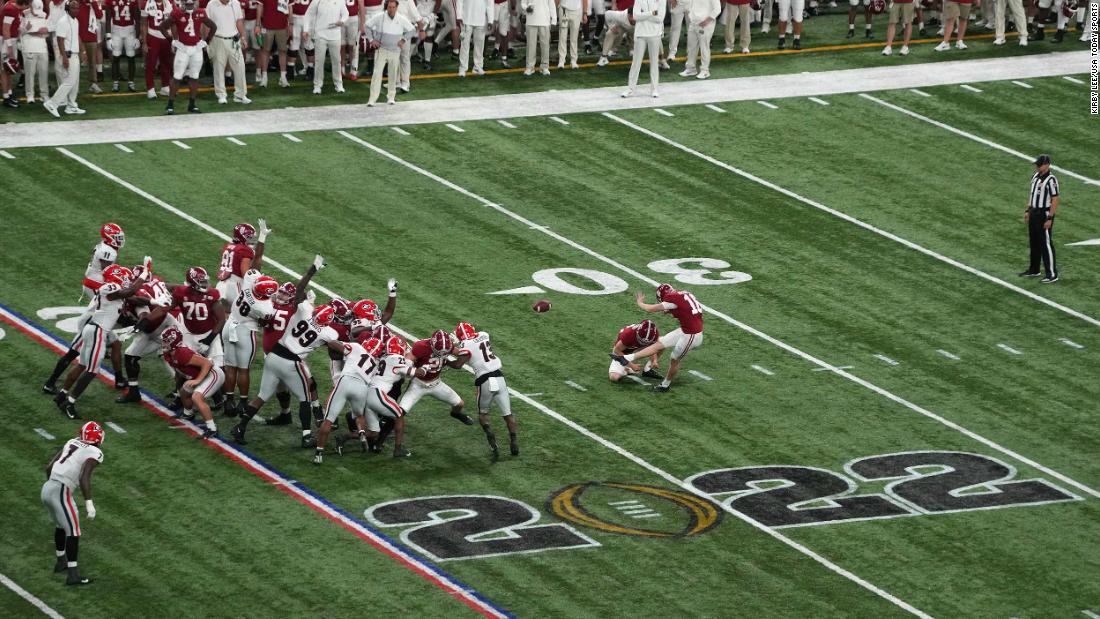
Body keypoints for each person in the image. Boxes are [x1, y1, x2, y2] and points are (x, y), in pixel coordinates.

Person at [54, 264, 149, 419]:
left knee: (82, 365)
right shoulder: (109, 287)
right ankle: (69, 403)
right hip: (97, 331)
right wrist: (144, 273)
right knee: (91, 371)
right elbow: (130, 291)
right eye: (124, 277)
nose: (127, 280)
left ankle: (62, 395)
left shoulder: (114, 290)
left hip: (94, 330)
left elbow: (134, 297)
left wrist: (155, 302)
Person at [41, 421, 104, 586]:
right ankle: (73, 575)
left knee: (61, 526)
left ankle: (61, 561)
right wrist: (89, 503)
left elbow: (49, 467)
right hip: (61, 491)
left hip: (47, 488)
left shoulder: (71, 441)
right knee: (74, 532)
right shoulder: (95, 451)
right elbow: (84, 477)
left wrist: (53, 486)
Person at [612, 283, 704, 392]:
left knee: (674, 360)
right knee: (660, 343)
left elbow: (651, 309)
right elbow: (685, 308)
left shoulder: (671, 299)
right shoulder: (683, 294)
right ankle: (628, 358)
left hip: (692, 335)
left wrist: (640, 303)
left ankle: (665, 385)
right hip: (686, 330)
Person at [453, 321, 518, 461]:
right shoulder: (484, 335)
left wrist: (446, 360)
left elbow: (458, 364)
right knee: (508, 414)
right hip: (499, 377)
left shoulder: (465, 345)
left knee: (483, 414)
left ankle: (492, 443)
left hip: (485, 380)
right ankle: (514, 441)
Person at [399, 329, 474, 424]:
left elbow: (461, 353)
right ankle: (382, 432)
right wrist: (410, 368)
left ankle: (455, 414)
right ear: (432, 343)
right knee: (400, 412)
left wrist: (463, 345)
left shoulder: (447, 345)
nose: (442, 354)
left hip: (436, 384)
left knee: (459, 404)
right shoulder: (421, 346)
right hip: (418, 385)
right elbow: (407, 361)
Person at [161, 326, 224, 438]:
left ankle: (212, 428)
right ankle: (188, 414)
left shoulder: (182, 353)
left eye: (166, 341)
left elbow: (207, 364)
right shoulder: (168, 354)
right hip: (202, 374)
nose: (163, 343)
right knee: (184, 392)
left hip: (212, 373)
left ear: (173, 341)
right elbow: (179, 371)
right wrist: (180, 383)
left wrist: (198, 380)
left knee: (196, 397)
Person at [161, 0, 217, 114]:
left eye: (191, 4)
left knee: (194, 77)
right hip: (183, 49)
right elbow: (162, 27)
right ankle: (170, 104)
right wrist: (172, 41)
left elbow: (213, 26)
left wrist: (206, 41)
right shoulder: (176, 13)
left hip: (196, 49)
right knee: (177, 77)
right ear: (183, 3)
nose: (190, 6)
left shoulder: (201, 12)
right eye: (188, 4)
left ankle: (192, 104)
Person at [1020, 154, 1060, 284]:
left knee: (1046, 244)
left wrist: (1050, 217)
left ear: (1047, 164)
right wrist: (1028, 210)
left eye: (1040, 164)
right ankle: (1034, 269)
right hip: (1034, 212)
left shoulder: (1051, 180)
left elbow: (1055, 199)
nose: (1037, 166)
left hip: (1044, 214)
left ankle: (1052, 274)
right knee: (1034, 242)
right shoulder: (1035, 177)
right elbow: (1031, 195)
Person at [365, 0, 414, 105]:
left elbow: (412, 30)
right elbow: (367, 26)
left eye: (393, 7)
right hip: (381, 50)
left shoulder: (401, 19)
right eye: (389, 7)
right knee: (376, 74)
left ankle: (391, 97)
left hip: (395, 51)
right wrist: (371, 40)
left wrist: (403, 40)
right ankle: (372, 99)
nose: (391, 9)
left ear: (397, 8)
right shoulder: (379, 17)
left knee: (392, 75)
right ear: (386, 7)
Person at [216, 220, 268, 311]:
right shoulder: (245, 250)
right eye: (249, 237)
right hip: (235, 286)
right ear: (242, 237)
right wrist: (255, 279)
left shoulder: (228, 246)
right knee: (239, 316)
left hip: (221, 285)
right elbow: (246, 274)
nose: (251, 240)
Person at [206, 0, 250, 103]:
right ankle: (221, 95)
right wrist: (207, 41)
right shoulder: (211, 4)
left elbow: (239, 21)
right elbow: (206, 23)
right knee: (218, 68)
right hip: (217, 39)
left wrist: (243, 37)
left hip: (234, 40)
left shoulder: (236, 3)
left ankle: (240, 95)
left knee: (240, 67)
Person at [45, 0, 84, 115]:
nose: (76, 10)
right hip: (68, 55)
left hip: (75, 54)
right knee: (69, 81)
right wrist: (64, 58)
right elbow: (60, 40)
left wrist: (83, 52)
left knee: (75, 82)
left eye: (77, 8)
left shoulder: (75, 21)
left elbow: (77, 37)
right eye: (73, 8)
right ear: (67, 9)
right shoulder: (62, 21)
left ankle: (71, 106)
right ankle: (52, 103)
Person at [302, 0, 347, 93]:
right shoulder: (316, 1)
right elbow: (308, 14)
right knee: (319, 61)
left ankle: (339, 84)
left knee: (336, 61)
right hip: (320, 35)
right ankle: (317, 85)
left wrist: (342, 21)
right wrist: (306, 29)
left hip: (335, 36)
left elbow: (346, 13)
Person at [622, 0, 663, 98]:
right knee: (636, 63)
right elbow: (636, 16)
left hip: (655, 34)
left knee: (654, 62)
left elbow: (659, 17)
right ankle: (630, 89)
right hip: (640, 34)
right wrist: (651, 13)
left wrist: (645, 15)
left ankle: (654, 89)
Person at [139, 0, 173, 98]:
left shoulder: (169, 2)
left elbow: (173, 21)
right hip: (153, 35)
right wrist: (144, 42)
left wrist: (173, 38)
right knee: (151, 64)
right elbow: (144, 23)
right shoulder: (146, 3)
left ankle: (165, 86)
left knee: (166, 63)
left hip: (166, 35)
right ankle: (150, 88)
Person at [105, 0, 139, 91]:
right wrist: (108, 36)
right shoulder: (110, 1)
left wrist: (137, 37)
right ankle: (115, 82)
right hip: (116, 30)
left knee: (131, 57)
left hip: (130, 30)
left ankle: (131, 82)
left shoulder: (133, 1)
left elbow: (137, 18)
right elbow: (108, 18)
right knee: (116, 57)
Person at [21, 0, 50, 104]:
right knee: (29, 73)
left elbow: (47, 34)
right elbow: (19, 32)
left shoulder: (44, 15)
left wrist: (44, 32)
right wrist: (26, 29)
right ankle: (30, 95)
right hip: (29, 47)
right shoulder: (24, 14)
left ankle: (44, 94)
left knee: (43, 72)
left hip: (42, 47)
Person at [255, 0, 290, 86]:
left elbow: (290, 7)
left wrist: (291, 24)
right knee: (265, 51)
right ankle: (264, 77)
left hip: (282, 25)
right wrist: (257, 24)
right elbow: (260, 6)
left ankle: (283, 77)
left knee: (282, 51)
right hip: (267, 25)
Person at [1, 0, 29, 107]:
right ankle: (6, 98)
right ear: (25, 3)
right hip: (6, 41)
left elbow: (13, 27)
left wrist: (24, 29)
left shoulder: (12, 4)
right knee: (5, 69)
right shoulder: (10, 10)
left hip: (10, 40)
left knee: (10, 70)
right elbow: (5, 29)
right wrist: (9, 48)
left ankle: (9, 94)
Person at [679, 0, 717, 76]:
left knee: (704, 47)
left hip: (705, 24)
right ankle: (690, 69)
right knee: (691, 47)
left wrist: (707, 21)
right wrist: (691, 16)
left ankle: (705, 71)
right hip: (693, 23)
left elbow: (717, 9)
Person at [457, 0, 492, 76]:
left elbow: (490, 3)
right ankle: (462, 68)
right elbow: (459, 1)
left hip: (481, 20)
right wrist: (459, 15)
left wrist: (490, 20)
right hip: (466, 19)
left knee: (480, 45)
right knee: (464, 45)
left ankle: (477, 67)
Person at [521, 0, 555, 75]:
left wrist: (554, 20)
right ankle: (530, 67)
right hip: (531, 20)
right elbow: (523, 3)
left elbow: (551, 4)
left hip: (545, 20)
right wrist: (527, 8)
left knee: (545, 45)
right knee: (530, 45)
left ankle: (545, 67)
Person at [76, 0, 104, 92]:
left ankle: (93, 83)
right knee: (76, 63)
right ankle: (74, 84)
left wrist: (93, 3)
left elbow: (100, 15)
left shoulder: (94, 3)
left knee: (92, 62)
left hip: (91, 36)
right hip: (78, 36)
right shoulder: (78, 4)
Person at [555, 0, 586, 69]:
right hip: (563, 9)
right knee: (562, 37)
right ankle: (561, 60)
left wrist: (585, 13)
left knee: (574, 38)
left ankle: (574, 60)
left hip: (577, 10)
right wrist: (554, 10)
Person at [289, 0, 314, 79]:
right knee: (306, 44)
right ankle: (309, 69)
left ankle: (292, 70)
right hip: (303, 17)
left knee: (296, 44)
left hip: (300, 17)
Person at [339, 0, 363, 79]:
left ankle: (354, 71)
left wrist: (362, 23)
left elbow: (361, 6)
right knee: (341, 46)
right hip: (340, 17)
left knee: (353, 46)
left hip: (353, 18)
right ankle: (341, 70)